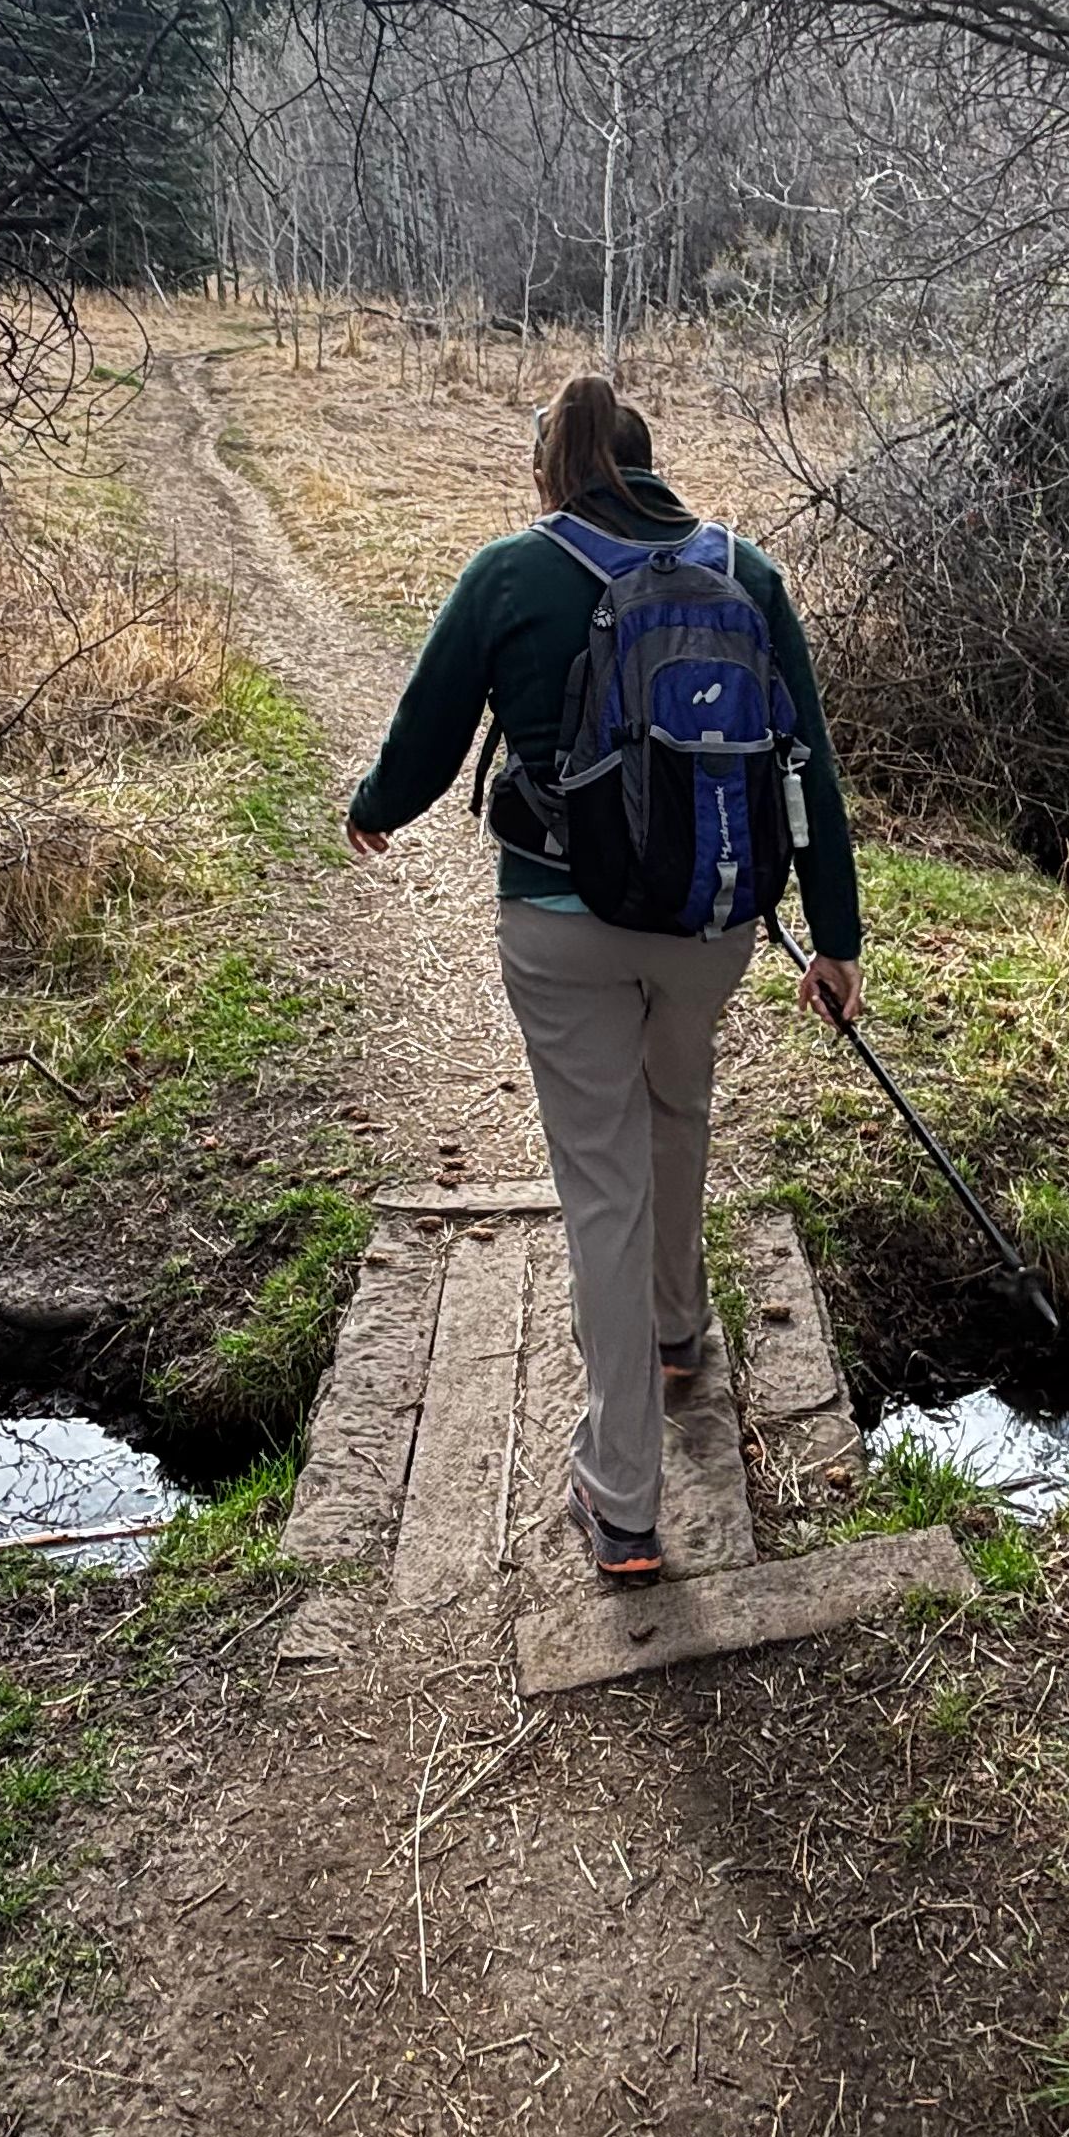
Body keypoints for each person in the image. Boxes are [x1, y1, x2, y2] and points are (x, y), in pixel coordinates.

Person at [342, 373, 865, 1583]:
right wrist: (833, 938)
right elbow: (809, 768)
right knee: (678, 1116)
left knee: (601, 1187)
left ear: (555, 472)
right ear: (650, 464)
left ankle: (622, 1499)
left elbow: (425, 734)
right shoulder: (748, 572)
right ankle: (680, 1337)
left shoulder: (511, 574)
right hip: (714, 921)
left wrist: (376, 810)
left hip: (561, 926)